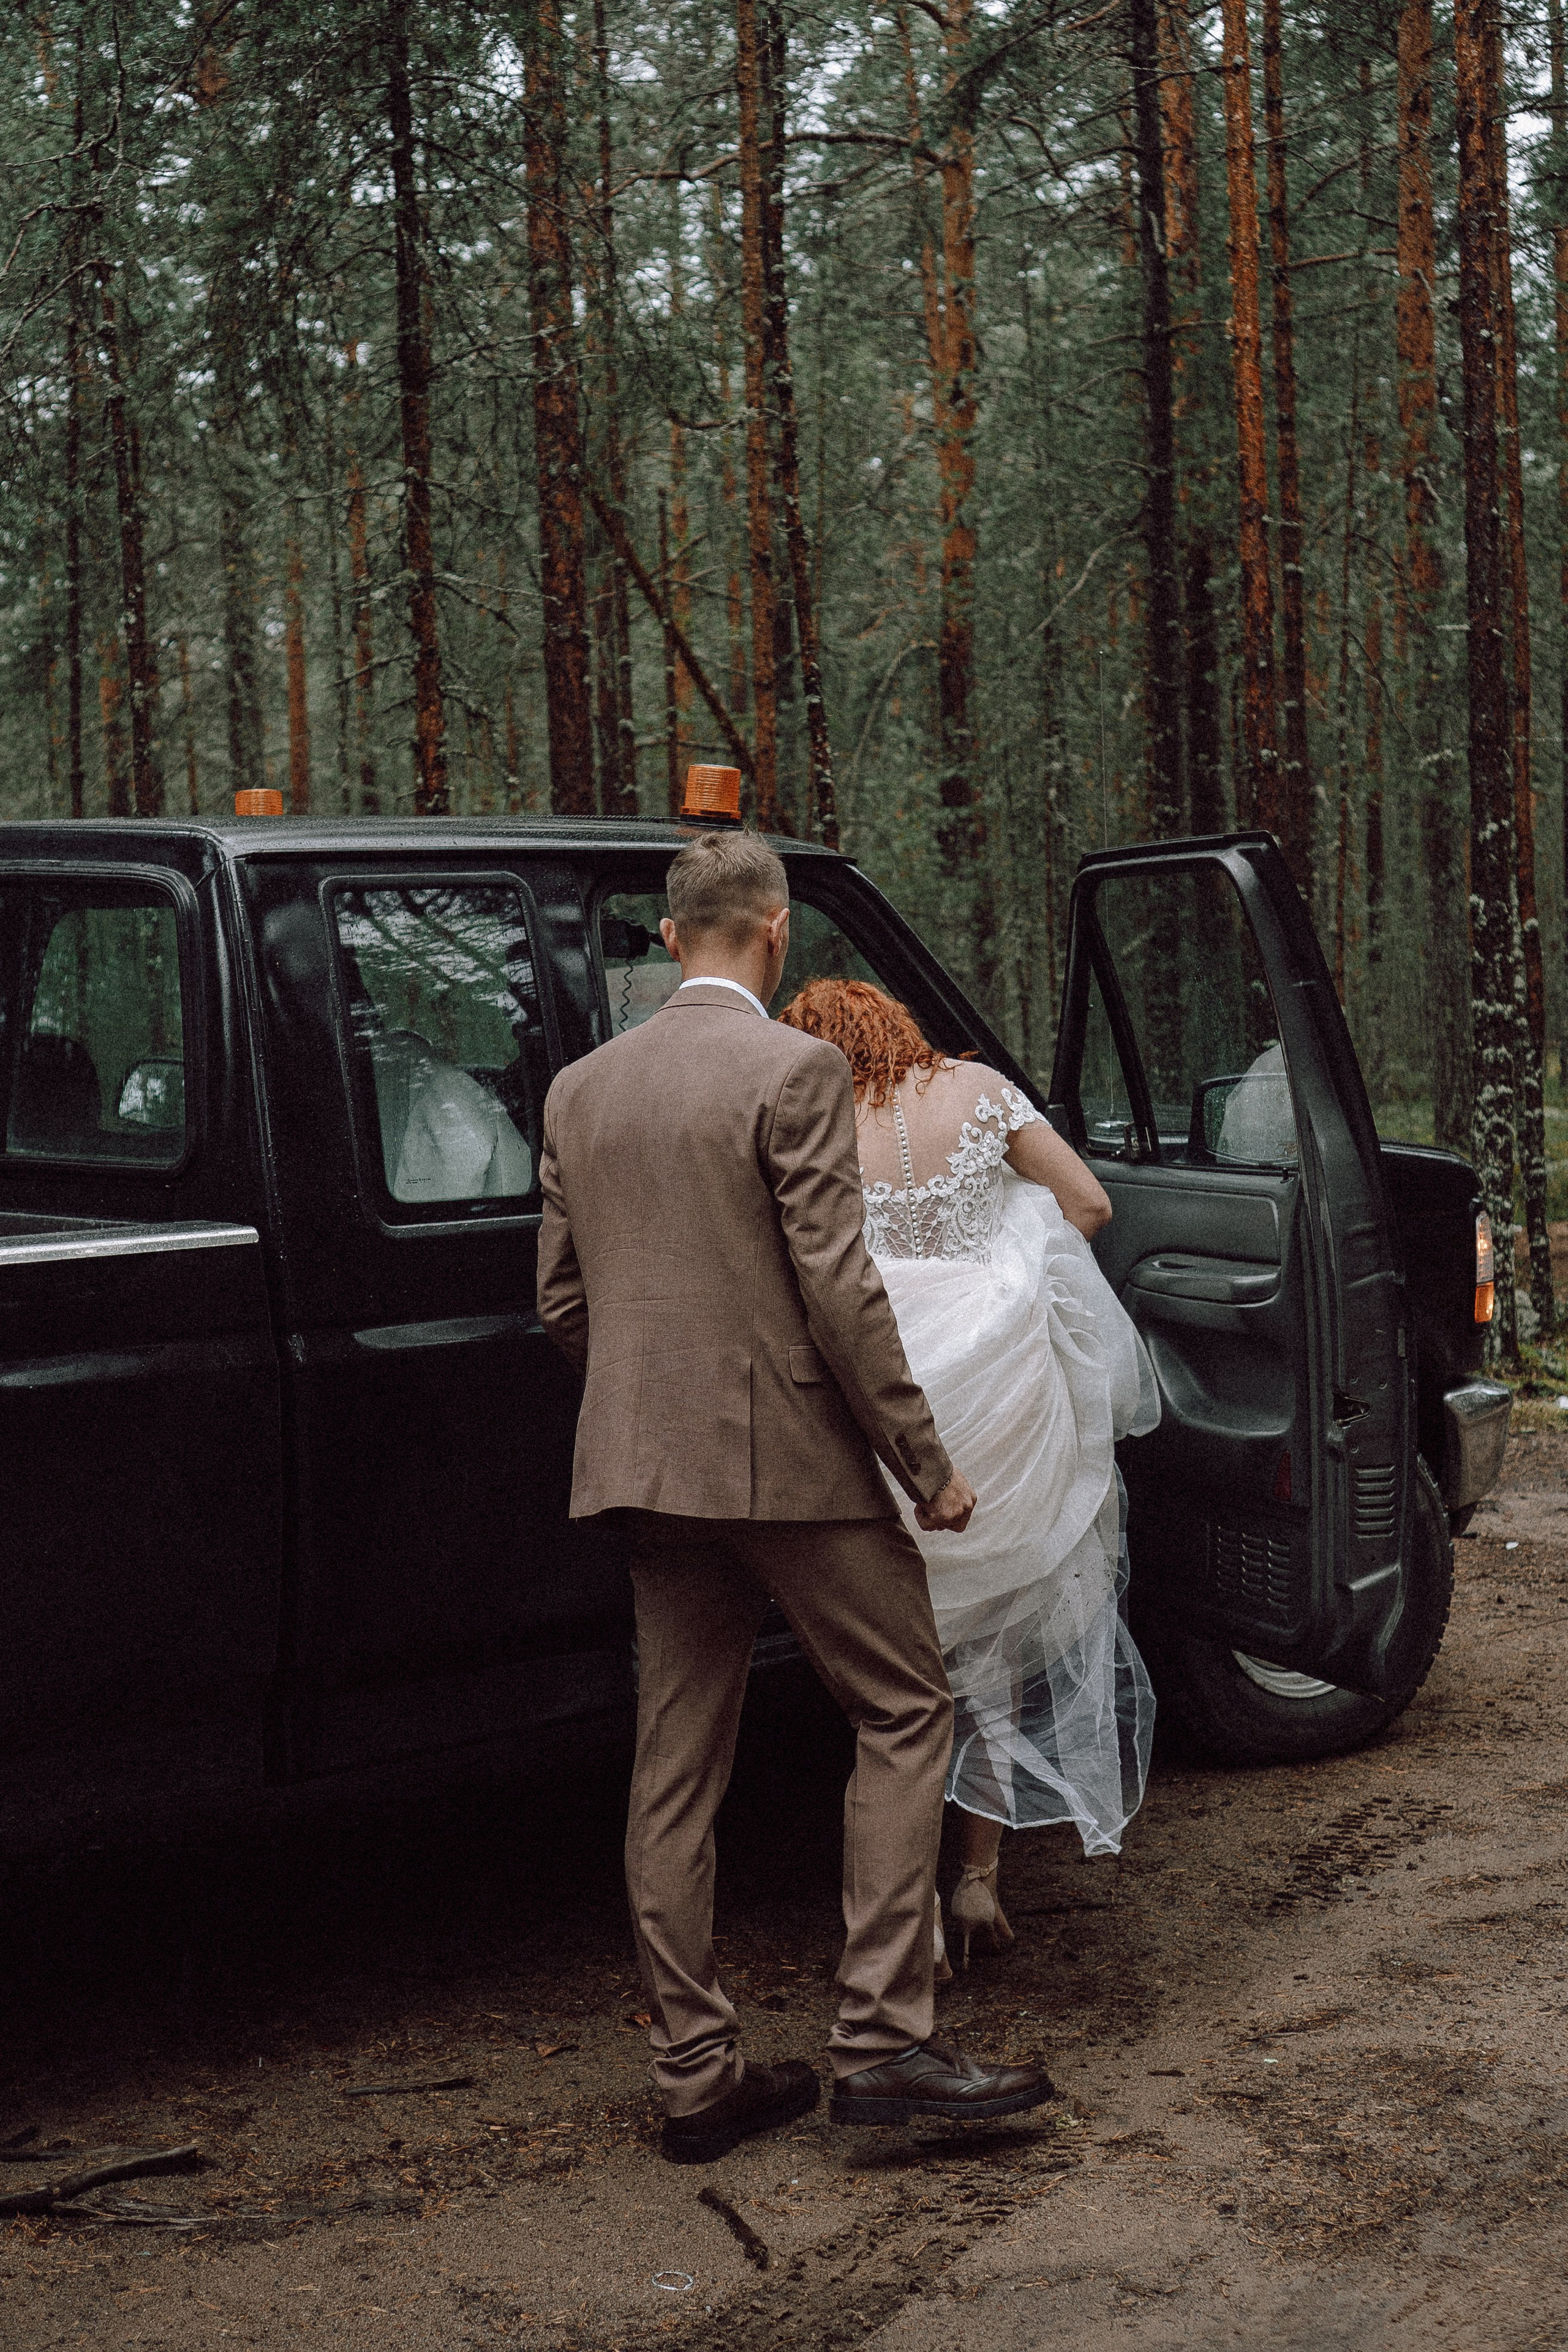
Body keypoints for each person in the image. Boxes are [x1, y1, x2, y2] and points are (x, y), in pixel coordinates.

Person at [537, 830, 1054, 2165]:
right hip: (794, 1466)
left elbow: (560, 1305)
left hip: (643, 1469)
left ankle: (695, 2075)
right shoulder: (794, 1065)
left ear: (667, 940)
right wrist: (923, 1463)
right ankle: (882, 2045)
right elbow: (838, 1287)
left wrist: (654, 1409)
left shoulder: (579, 1089)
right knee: (904, 1707)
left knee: (673, 1768)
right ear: (775, 934)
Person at [778, 979, 1159, 1968]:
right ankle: (978, 1881)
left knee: (899, 1668)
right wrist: (1009, 1268)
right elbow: (1089, 1201)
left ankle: (912, 1920)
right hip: (998, 1395)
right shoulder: (981, 1091)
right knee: (995, 1647)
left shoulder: (808, 1108)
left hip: (883, 1398)